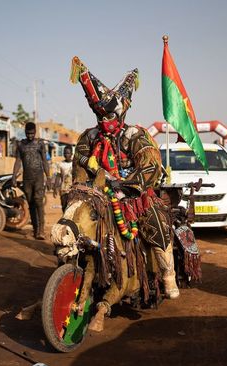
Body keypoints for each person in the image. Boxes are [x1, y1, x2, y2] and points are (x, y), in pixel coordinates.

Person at [70, 56, 180, 306]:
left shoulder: (135, 135)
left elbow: (150, 164)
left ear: (120, 112)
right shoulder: (89, 136)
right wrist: (85, 179)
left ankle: (168, 274)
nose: (103, 120)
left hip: (133, 196)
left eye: (108, 115)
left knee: (156, 220)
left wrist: (128, 184)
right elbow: (79, 161)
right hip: (97, 195)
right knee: (72, 223)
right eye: (100, 115)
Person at [12, 122, 51, 240]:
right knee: (31, 203)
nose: (30, 136)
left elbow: (44, 161)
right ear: (25, 132)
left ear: (35, 132)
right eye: (28, 133)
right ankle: (35, 229)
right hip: (27, 179)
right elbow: (18, 161)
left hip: (38, 177)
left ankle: (41, 231)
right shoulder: (20, 145)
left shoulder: (40, 144)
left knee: (38, 201)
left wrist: (48, 177)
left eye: (32, 133)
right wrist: (14, 176)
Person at [53, 145, 73, 212]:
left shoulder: (74, 164)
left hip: (73, 189)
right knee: (64, 206)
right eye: (64, 153)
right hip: (63, 189)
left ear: (71, 154)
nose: (66, 155)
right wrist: (55, 188)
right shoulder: (60, 164)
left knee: (71, 207)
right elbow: (58, 176)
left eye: (68, 153)